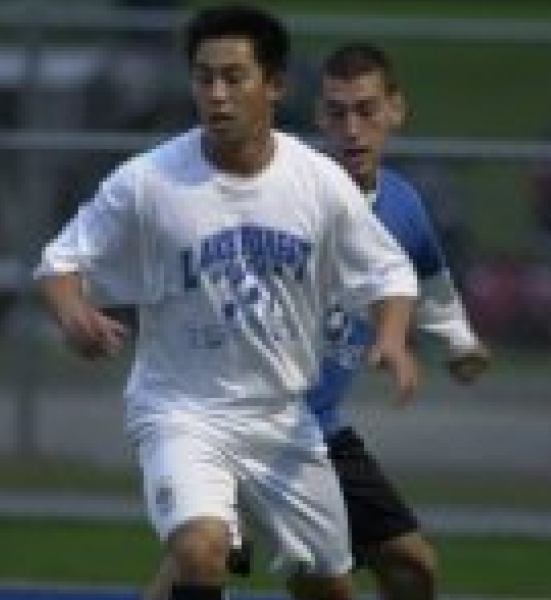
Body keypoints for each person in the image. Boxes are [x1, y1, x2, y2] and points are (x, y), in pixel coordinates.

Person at [35, 7, 420, 600]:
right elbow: (61, 263)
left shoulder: (316, 182)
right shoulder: (149, 181)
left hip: (283, 420)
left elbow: (389, 270)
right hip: (181, 410)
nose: (216, 94)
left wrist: (392, 338)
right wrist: (73, 315)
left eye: (234, 77)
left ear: (275, 85)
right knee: (200, 549)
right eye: (203, 77)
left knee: (328, 588)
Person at [144, 42, 490, 600]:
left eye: (367, 110)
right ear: (318, 117)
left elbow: (432, 284)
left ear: (396, 111)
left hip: (318, 431)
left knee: (412, 569)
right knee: (202, 561)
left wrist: (459, 343)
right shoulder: (275, 191)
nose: (351, 128)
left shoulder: (403, 206)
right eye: (335, 112)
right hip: (239, 419)